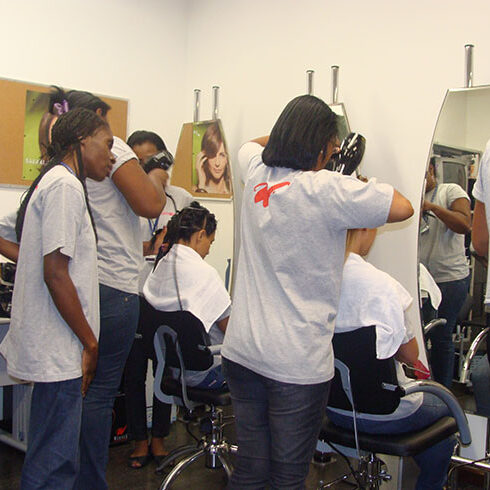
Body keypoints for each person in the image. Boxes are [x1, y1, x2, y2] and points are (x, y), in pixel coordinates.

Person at [221, 94, 413, 489]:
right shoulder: (329, 190)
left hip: (241, 353)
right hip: (295, 364)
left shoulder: (258, 171)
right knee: (288, 477)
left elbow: (250, 145)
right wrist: (345, 171)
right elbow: (403, 206)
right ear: (323, 144)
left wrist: (292, 139)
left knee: (251, 471)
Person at [46, 87, 166, 489]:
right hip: (114, 285)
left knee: (74, 391)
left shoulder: (57, 169)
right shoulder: (114, 149)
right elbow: (151, 204)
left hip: (79, 286)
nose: (112, 145)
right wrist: (159, 174)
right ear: (95, 121)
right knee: (97, 397)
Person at [0, 108, 115, 489]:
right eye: (108, 144)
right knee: (54, 464)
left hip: (55, 345)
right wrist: (90, 342)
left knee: (51, 456)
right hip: (60, 348)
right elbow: (55, 273)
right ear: (82, 140)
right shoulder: (65, 187)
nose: (112, 156)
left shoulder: (53, 182)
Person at [327, 227, 456, 490]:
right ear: (366, 228)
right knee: (446, 407)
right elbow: (410, 355)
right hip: (386, 413)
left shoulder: (317, 278)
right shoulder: (381, 285)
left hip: (333, 409)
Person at [123, 130, 193, 469]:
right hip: (133, 296)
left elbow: (198, 244)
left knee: (165, 369)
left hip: (168, 300)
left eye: (151, 160)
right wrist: (151, 248)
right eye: (136, 161)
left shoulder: (182, 199)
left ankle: (160, 437)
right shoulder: (123, 198)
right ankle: (138, 439)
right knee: (134, 372)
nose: (144, 168)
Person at [143, 202, 230, 389]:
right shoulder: (204, 274)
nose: (209, 249)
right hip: (205, 372)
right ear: (200, 235)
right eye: (210, 242)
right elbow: (230, 329)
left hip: (173, 371)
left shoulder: (160, 269)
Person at [419, 157, 471, 388]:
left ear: (431, 170)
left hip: (450, 279)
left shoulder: (451, 190)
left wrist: (432, 208)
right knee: (421, 336)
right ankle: (429, 388)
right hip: (423, 280)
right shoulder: (412, 195)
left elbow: (464, 224)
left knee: (441, 335)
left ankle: (444, 392)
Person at [194, 122, 232, 194]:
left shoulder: (233, 192)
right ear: (204, 156)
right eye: (213, 155)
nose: (217, 163)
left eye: (222, 155)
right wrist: (201, 186)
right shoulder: (195, 190)